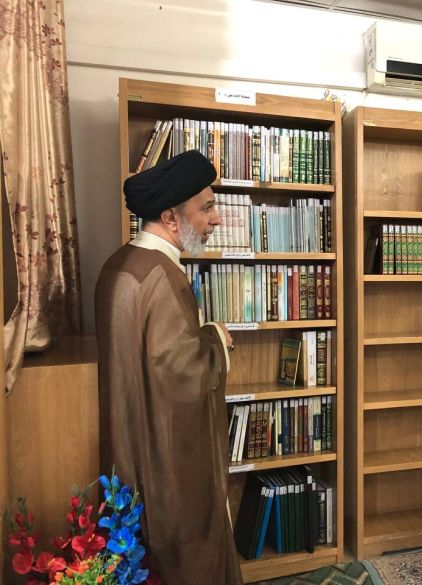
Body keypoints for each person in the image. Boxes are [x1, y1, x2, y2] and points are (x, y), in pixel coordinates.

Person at [95, 150, 242, 584]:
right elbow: (183, 377)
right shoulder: (163, 277)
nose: (216, 219)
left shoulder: (117, 264)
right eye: (207, 208)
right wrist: (217, 338)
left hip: (127, 447)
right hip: (164, 460)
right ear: (171, 218)